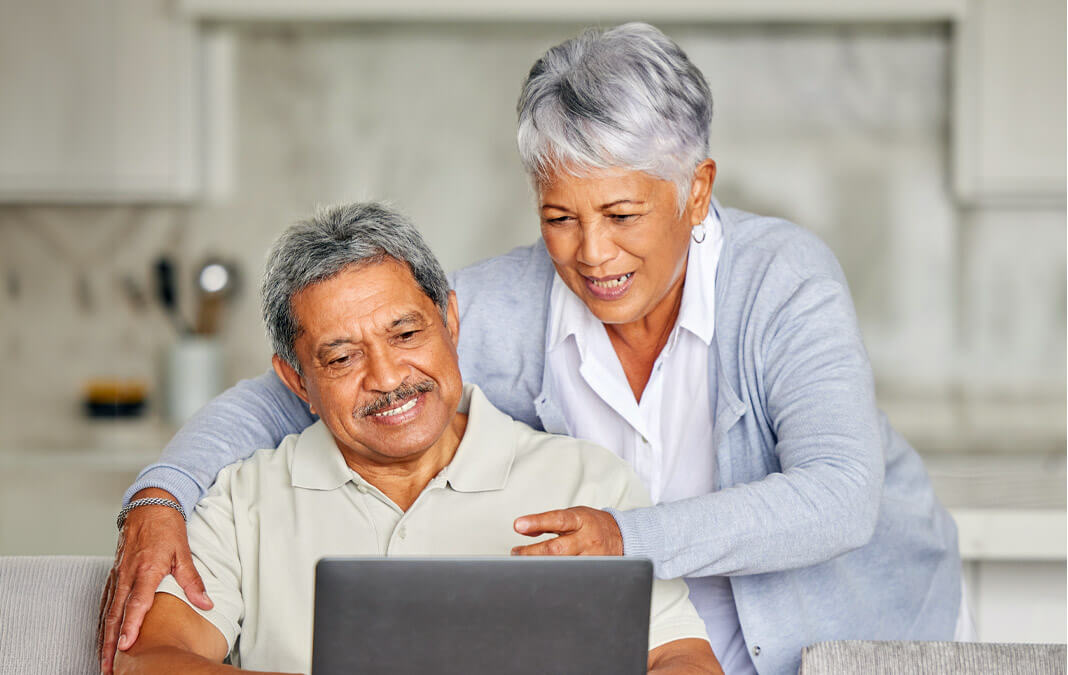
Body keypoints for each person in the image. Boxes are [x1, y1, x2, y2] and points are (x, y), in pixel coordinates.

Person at [100, 23, 963, 675]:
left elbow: (840, 497)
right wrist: (160, 496)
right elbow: (299, 387)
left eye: (622, 214)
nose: (591, 254)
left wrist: (624, 542)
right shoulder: (512, 302)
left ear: (696, 190)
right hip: (668, 637)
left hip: (840, 630)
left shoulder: (781, 281)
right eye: (560, 217)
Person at [112, 202, 719, 675]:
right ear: (296, 379)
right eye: (343, 357)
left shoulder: (587, 481)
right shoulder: (243, 500)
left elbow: (682, 657)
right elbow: (146, 660)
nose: (388, 378)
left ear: (451, 322)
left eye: (406, 334)